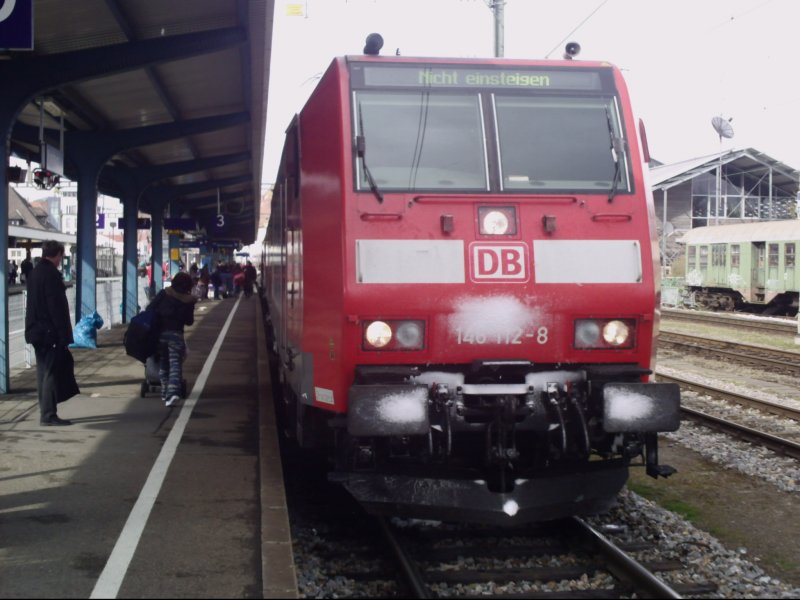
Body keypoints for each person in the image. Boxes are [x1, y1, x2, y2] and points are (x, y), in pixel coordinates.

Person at [24, 240, 80, 426]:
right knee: (49, 373)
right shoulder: (51, 276)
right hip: (49, 332)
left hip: (36, 330)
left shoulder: (34, 273)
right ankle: (48, 415)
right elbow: (56, 308)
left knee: (42, 372)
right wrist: (62, 335)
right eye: (60, 257)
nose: (60, 260)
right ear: (57, 255)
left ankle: (46, 411)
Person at [150, 271, 196, 407]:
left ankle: (165, 393)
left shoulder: (164, 293)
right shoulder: (188, 300)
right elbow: (189, 321)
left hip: (160, 335)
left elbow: (150, 309)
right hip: (176, 335)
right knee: (175, 364)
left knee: (164, 363)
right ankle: (172, 393)